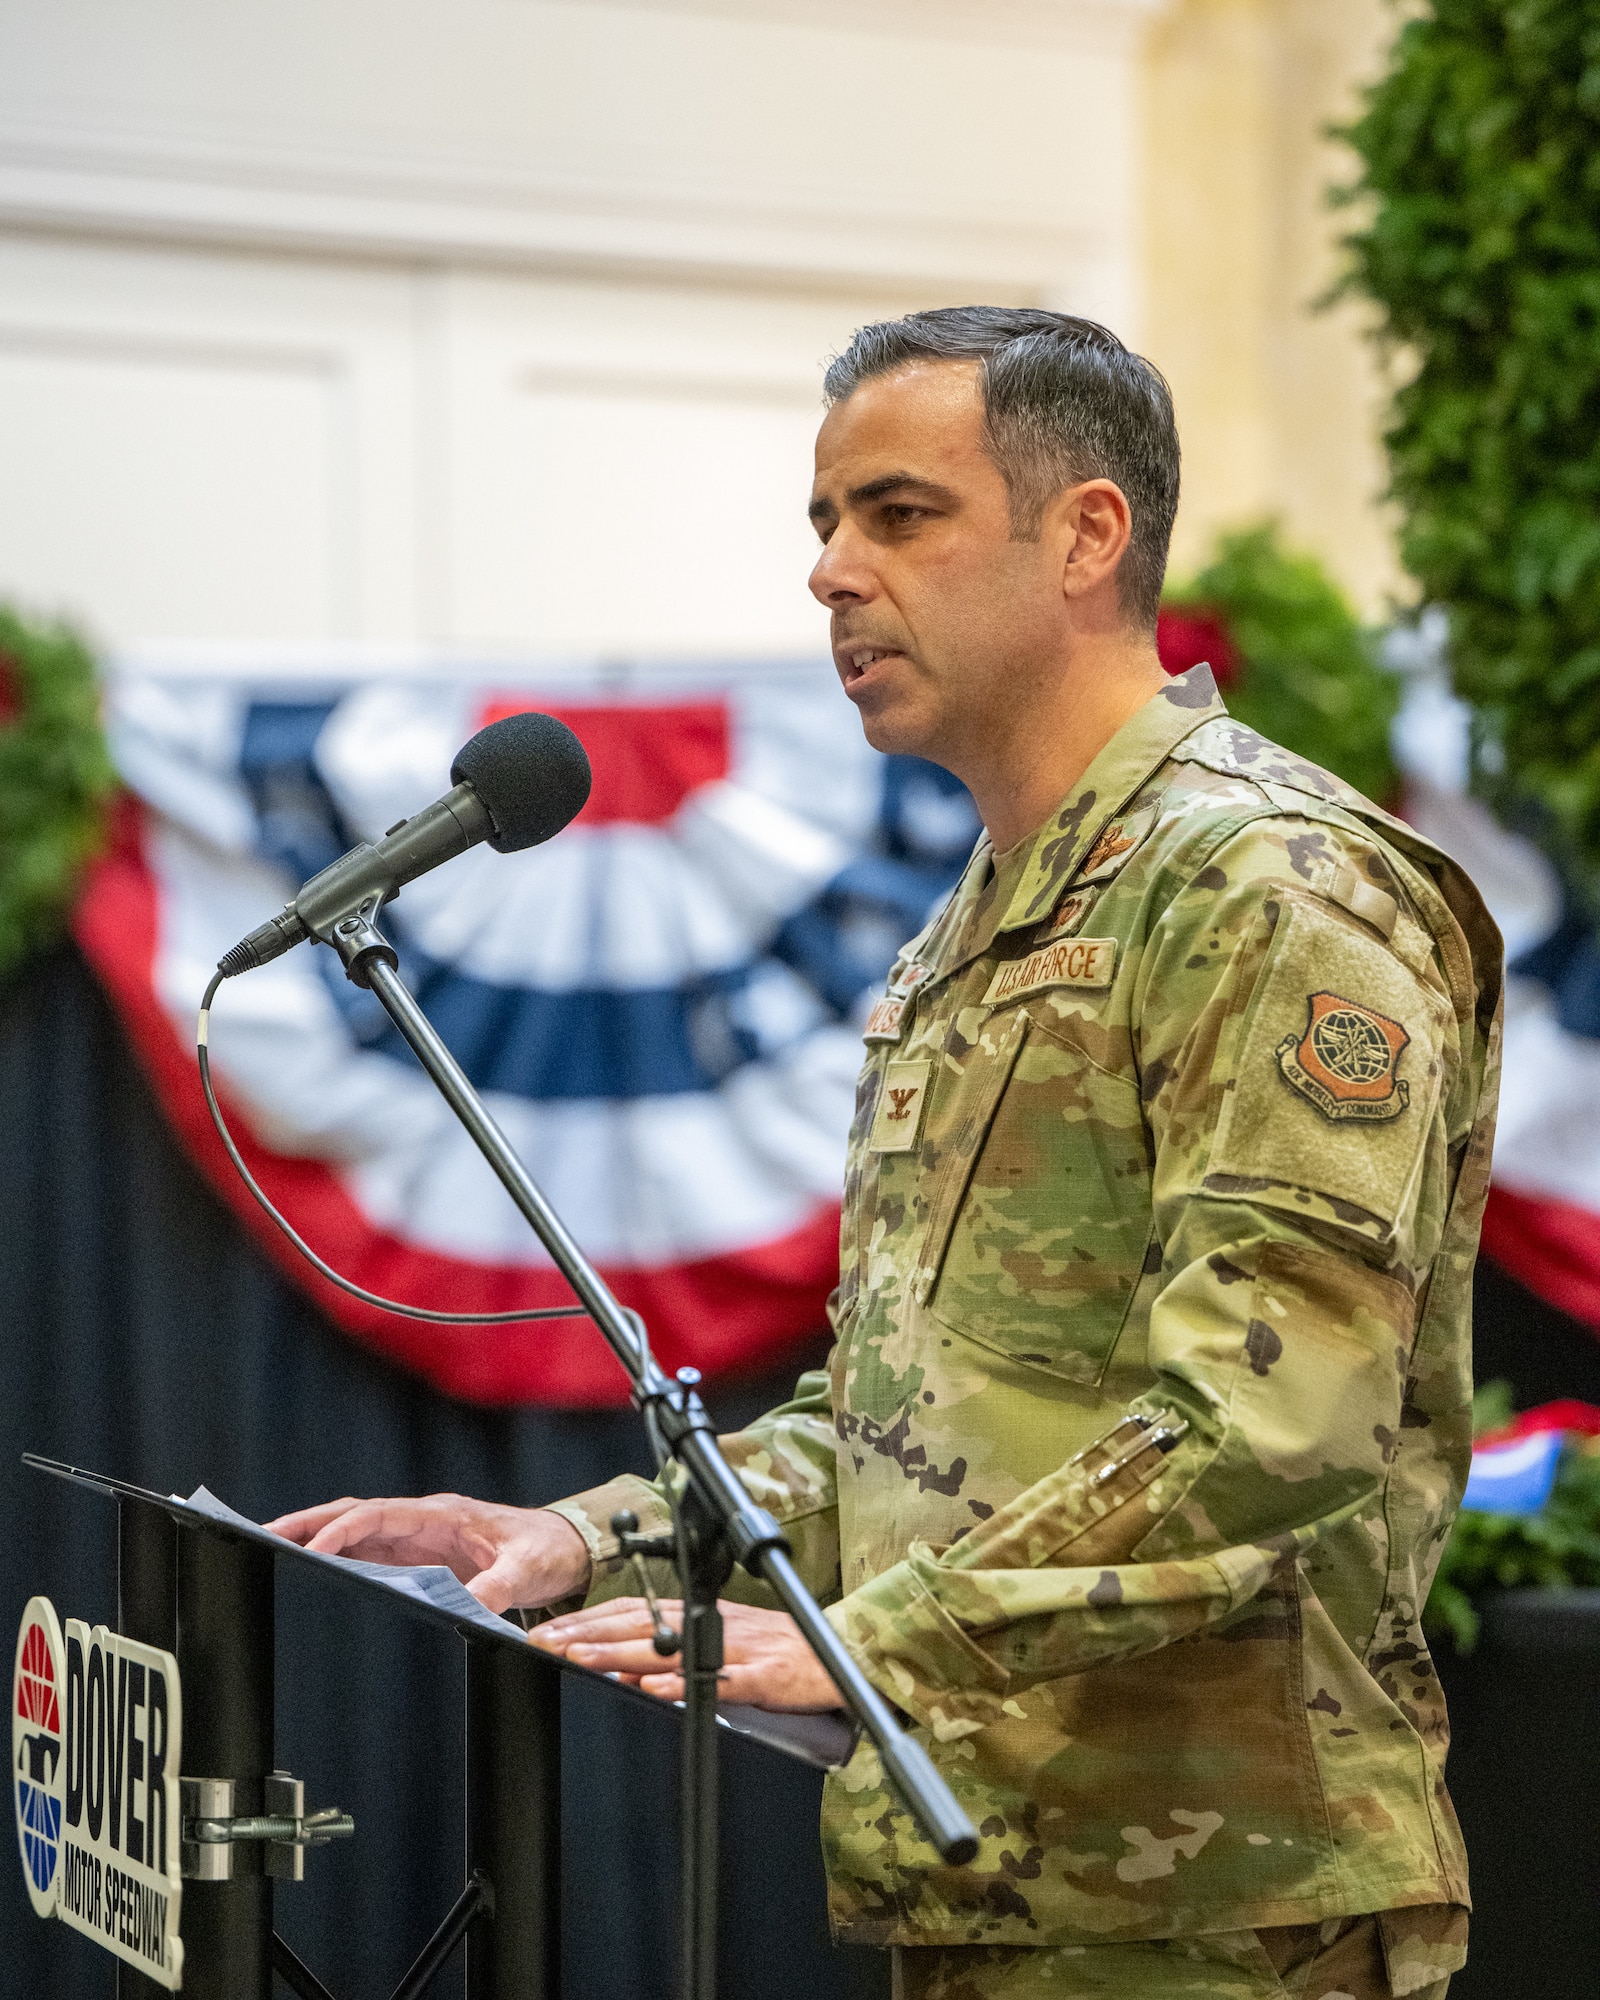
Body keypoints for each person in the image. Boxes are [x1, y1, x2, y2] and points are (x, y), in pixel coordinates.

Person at [271, 308, 1501, 2000]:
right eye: (824, 525)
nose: (834, 574)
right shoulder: (965, 937)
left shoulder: (1268, 885)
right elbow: (898, 1436)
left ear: (1087, 535)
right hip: (986, 1876)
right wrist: (589, 1540)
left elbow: (1271, 1425)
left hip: (1225, 1913)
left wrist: (875, 1650)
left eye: (898, 515)